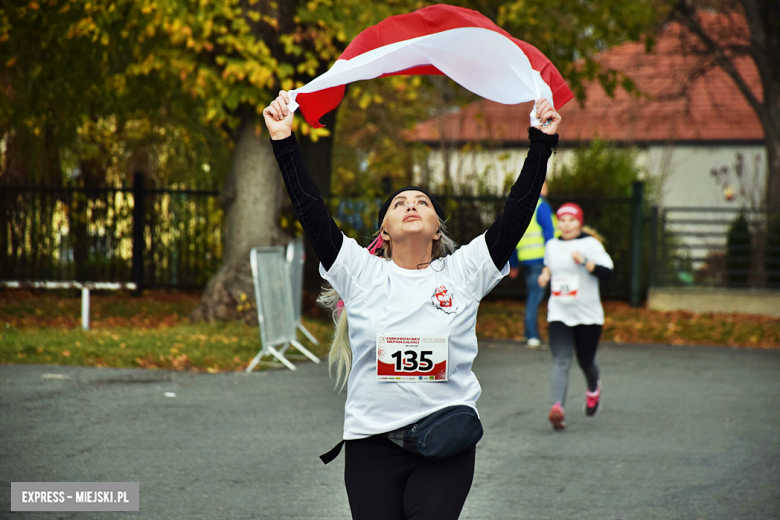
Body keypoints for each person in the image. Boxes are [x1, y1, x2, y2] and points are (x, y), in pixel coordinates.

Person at [263, 90, 561, 519]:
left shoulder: (464, 271)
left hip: (445, 441)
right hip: (371, 445)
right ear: (383, 231)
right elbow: (312, 211)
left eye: (422, 202)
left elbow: (515, 214)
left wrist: (540, 145)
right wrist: (283, 142)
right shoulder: (360, 272)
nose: (411, 205)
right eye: (399, 203)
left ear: (438, 229)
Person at [537, 203, 613, 431]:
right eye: (562, 220)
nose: (566, 224)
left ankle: (593, 388)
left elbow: (609, 273)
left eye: (571, 220)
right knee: (561, 360)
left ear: (579, 222)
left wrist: (585, 262)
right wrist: (544, 275)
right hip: (559, 312)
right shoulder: (551, 245)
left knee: (586, 361)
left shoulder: (591, 244)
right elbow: (549, 267)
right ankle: (557, 407)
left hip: (588, 315)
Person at [509, 181, 557, 348]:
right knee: (535, 297)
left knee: (532, 296)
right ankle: (531, 334)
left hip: (526, 258)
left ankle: (528, 333)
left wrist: (513, 263)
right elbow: (549, 232)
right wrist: (551, 259)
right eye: (544, 185)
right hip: (541, 259)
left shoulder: (522, 207)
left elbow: (513, 236)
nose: (547, 189)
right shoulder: (541, 206)